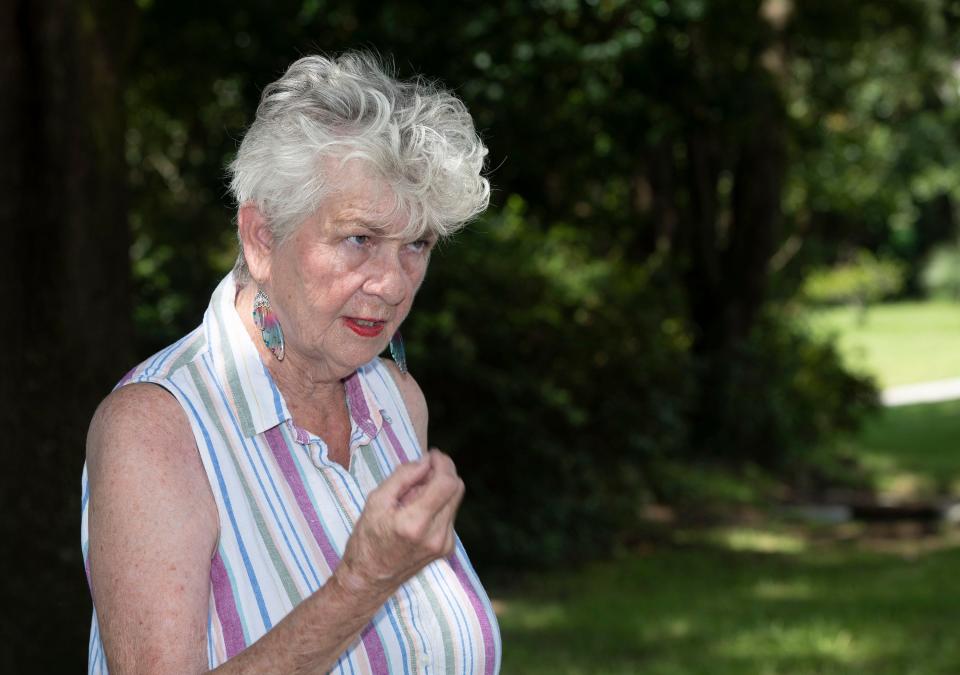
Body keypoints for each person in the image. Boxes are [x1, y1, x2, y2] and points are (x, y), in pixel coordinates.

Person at [81, 51, 501, 674]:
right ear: (260, 238)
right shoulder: (156, 429)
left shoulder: (396, 400)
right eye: (359, 238)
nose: (391, 282)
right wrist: (360, 585)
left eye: (417, 244)